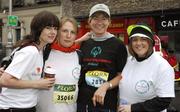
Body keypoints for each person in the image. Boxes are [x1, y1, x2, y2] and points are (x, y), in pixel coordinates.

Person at [0, 11, 59, 112]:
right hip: (15, 107)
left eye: (55, 28)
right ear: (38, 28)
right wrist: (38, 84)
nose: (53, 32)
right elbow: (4, 80)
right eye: (48, 28)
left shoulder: (37, 49)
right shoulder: (31, 51)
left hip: (22, 106)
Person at [77, 3, 128, 112]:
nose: (99, 22)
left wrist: (106, 85)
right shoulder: (84, 43)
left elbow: (122, 76)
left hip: (106, 104)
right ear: (89, 21)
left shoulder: (118, 45)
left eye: (104, 19)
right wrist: (78, 41)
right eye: (95, 18)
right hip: (82, 103)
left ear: (109, 22)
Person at [118, 24, 175, 112]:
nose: (138, 43)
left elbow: (164, 101)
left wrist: (132, 108)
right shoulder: (129, 61)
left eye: (143, 39)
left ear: (150, 42)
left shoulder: (162, 66)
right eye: (134, 40)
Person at [36, 16, 81, 112]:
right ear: (58, 33)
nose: (68, 36)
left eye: (72, 32)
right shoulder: (44, 52)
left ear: (76, 35)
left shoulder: (79, 55)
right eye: (64, 31)